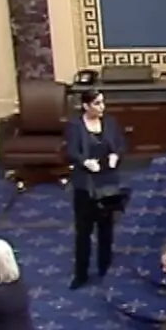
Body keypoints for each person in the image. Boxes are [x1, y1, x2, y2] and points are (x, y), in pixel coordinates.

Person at [65, 87, 127, 288]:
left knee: (106, 229)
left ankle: (105, 268)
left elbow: (120, 143)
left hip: (107, 181)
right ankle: (81, 274)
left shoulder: (110, 122)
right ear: (86, 106)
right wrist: (84, 162)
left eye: (103, 102)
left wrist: (115, 154)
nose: (102, 107)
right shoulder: (75, 125)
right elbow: (71, 151)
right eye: (97, 103)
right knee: (83, 231)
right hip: (85, 185)